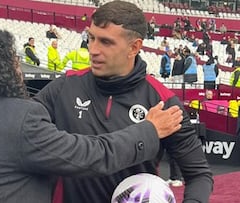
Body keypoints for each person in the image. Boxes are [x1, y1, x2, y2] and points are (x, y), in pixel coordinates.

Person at [0, 27, 183, 203]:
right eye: (14, 61)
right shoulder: (20, 119)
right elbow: (91, 156)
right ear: (1, 69)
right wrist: (149, 130)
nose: (19, 69)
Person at [33, 1, 213, 203]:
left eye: (106, 42)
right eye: (91, 38)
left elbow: (199, 175)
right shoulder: (63, 87)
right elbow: (22, 137)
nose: (93, 49)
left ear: (134, 47)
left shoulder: (163, 101)